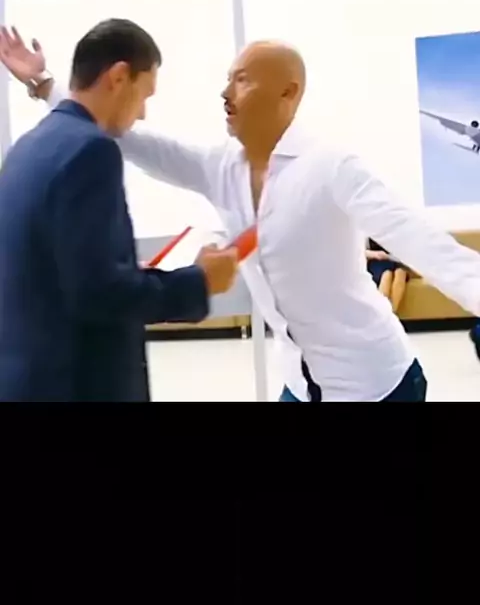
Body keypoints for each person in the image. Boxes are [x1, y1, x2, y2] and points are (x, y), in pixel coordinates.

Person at [4, 28, 480, 402]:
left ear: (288, 93)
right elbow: (130, 137)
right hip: (300, 384)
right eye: (230, 77)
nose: (225, 91)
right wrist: (46, 87)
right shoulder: (219, 168)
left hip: (375, 384)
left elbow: (422, 241)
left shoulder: (332, 167)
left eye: (243, 79)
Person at [0, 21, 238, 402]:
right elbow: (101, 293)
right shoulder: (92, 151)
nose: (141, 113)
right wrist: (199, 281)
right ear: (119, 77)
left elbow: (60, 274)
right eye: (144, 95)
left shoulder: (25, 150)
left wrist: (124, 268)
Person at [366, 238, 409, 314]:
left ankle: (391, 313)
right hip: (377, 260)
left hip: (393, 260)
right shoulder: (365, 233)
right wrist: (375, 254)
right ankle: (381, 313)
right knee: (387, 274)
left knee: (401, 272)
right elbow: (359, 252)